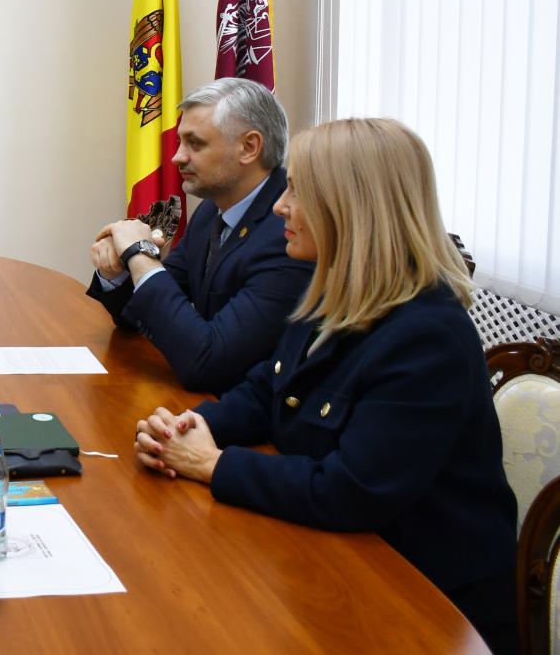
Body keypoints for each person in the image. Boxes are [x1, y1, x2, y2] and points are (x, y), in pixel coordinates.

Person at [134, 118, 516, 652]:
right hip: (331, 559)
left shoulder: (426, 336)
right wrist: (191, 427)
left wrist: (212, 463)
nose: (280, 207)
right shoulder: (332, 293)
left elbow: (350, 491)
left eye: (298, 191)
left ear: (352, 209)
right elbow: (267, 391)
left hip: (421, 606)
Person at [88, 78, 313, 393]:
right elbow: (140, 316)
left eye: (195, 143)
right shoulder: (211, 211)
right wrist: (119, 274)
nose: (178, 157)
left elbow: (208, 363)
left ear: (249, 147)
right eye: (181, 143)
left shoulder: (287, 235)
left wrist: (139, 255)